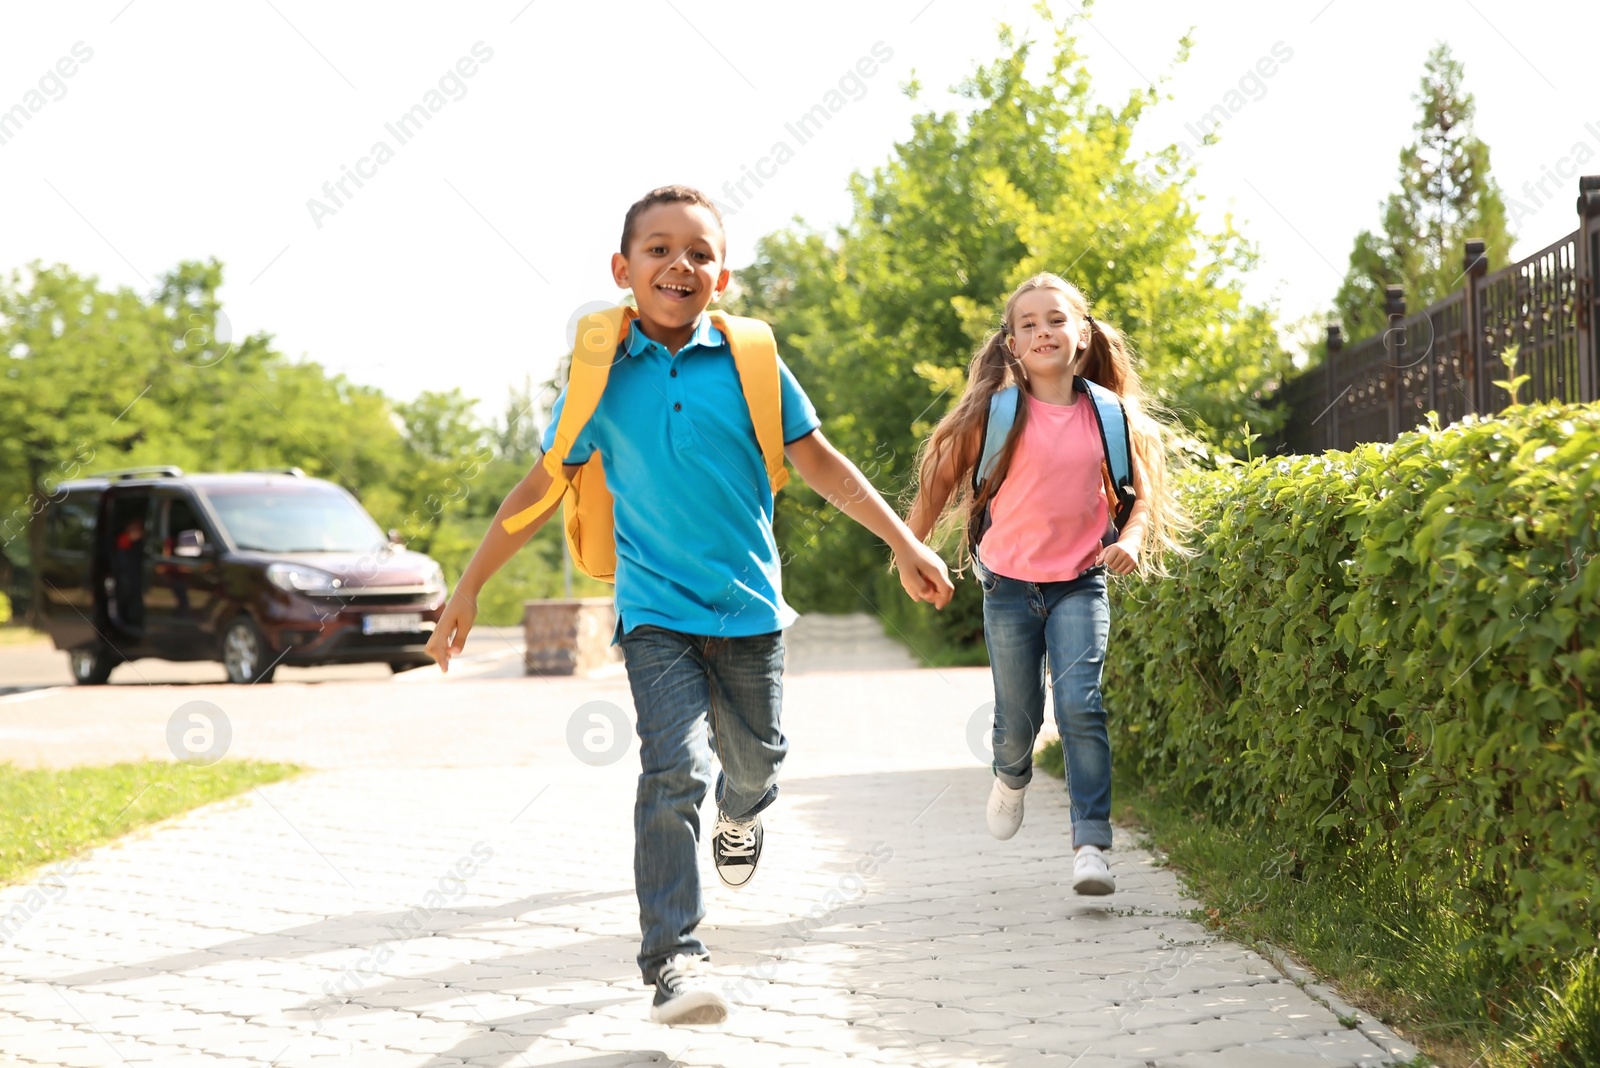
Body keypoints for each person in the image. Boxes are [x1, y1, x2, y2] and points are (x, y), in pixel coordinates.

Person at [425, 185, 953, 1025]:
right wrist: (470, 584)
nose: (680, 264)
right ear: (622, 269)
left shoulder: (749, 362)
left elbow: (819, 461)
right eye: (659, 249)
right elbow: (541, 481)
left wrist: (903, 540)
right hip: (654, 610)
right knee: (674, 770)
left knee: (753, 768)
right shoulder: (600, 376)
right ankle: (674, 957)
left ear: (724, 276)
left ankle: (741, 821)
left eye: (699, 252)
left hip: (749, 609)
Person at [906, 273, 1186, 896]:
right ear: (1011, 343)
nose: (1042, 331)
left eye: (1055, 319)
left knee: (1082, 704)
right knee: (1017, 718)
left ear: (1082, 334)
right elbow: (938, 485)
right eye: (1027, 323)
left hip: (1080, 584)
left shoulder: (1108, 415)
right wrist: (910, 553)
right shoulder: (996, 413)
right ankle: (1011, 776)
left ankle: (1091, 843)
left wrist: (1132, 541)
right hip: (1008, 587)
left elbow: (1138, 498)